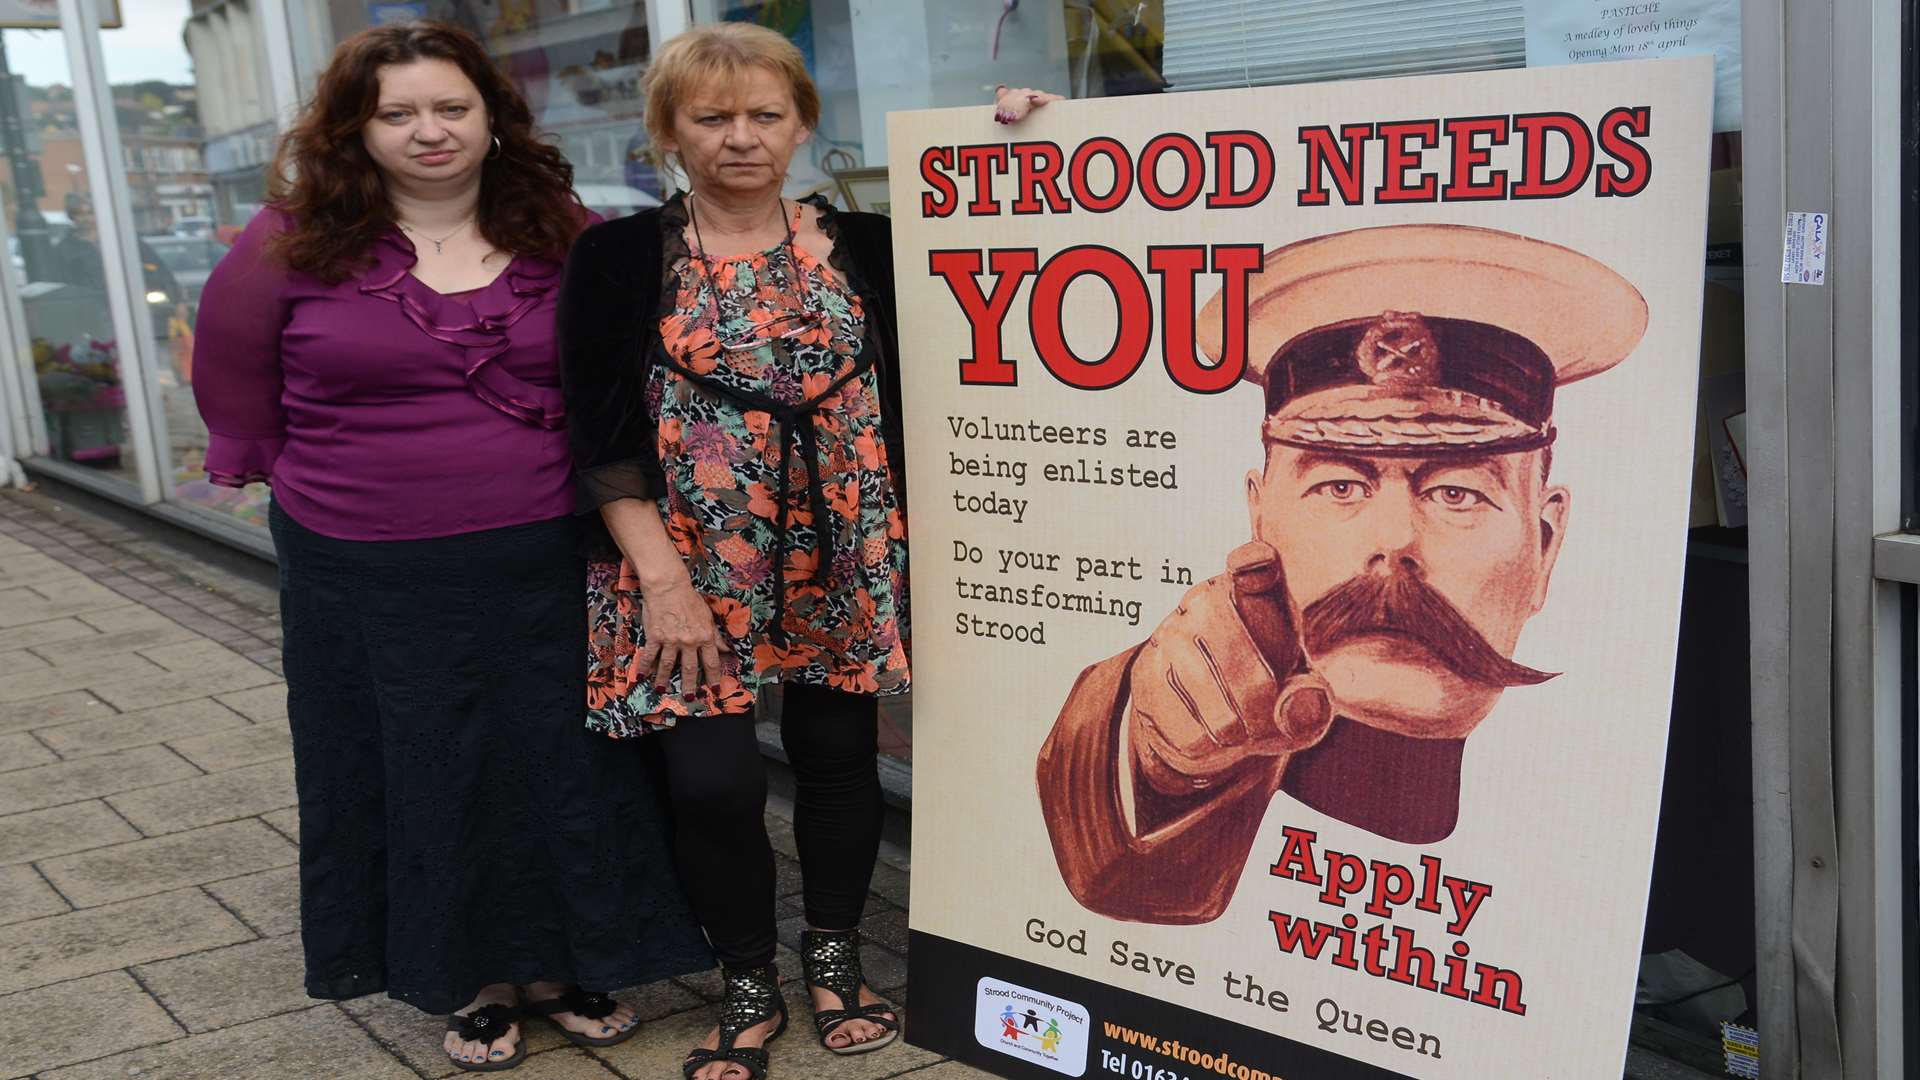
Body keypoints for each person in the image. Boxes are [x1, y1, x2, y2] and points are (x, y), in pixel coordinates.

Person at [191, 21, 711, 1072]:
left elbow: (616, 382)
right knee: (419, 770)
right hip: (364, 567)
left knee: (562, 767)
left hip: (544, 552)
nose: (429, 131)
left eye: (451, 107)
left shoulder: (555, 227)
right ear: (357, 127)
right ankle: (467, 977)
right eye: (398, 113)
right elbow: (238, 388)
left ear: (491, 116)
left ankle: (563, 964)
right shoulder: (289, 240)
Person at [558, 22, 1056, 1080]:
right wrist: (662, 583)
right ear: (670, 132)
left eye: (764, 114)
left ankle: (835, 954)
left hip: (844, 553)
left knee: (839, 762)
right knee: (712, 783)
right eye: (712, 117)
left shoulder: (873, 242)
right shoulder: (614, 257)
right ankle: (746, 975)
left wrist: (1019, 127)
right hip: (683, 565)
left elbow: (1021, 227)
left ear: (802, 124)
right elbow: (597, 439)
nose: (740, 137)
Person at [1036, 224, 1650, 925]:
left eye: (1457, 493)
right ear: (1260, 522)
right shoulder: (1162, 715)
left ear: (1544, 545)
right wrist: (1164, 762)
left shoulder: (1579, 839)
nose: (1393, 541)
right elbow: (1125, 855)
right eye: (1338, 486)